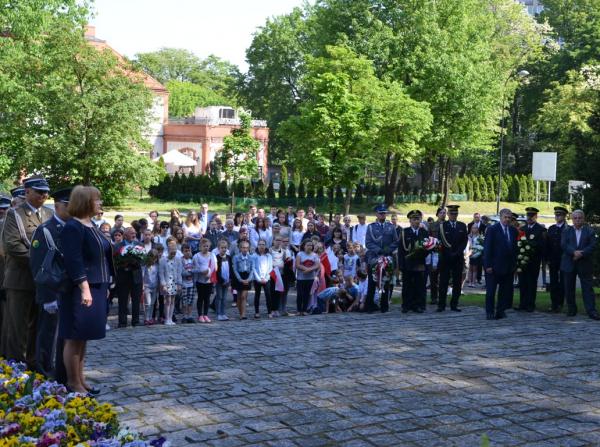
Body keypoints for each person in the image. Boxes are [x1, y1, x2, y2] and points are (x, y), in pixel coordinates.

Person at [60, 185, 112, 394]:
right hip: (80, 288)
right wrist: (85, 288)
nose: (100, 203)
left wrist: (106, 284)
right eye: (96, 199)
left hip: (97, 285)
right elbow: (74, 261)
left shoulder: (91, 225)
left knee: (84, 336)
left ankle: (81, 379)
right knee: (75, 336)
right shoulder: (73, 227)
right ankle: (73, 382)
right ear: (85, 202)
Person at [2, 177, 53, 368]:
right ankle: (16, 368)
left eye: (45, 192)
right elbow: (13, 245)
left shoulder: (49, 213)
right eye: (39, 191)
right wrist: (41, 263)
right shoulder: (14, 214)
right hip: (21, 279)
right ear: (27, 192)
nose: (43, 195)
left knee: (39, 325)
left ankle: (34, 364)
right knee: (17, 327)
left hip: (43, 281)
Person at [29, 187, 72, 382]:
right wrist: (47, 298)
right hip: (52, 292)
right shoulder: (45, 230)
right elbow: (39, 267)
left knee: (65, 336)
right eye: (67, 204)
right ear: (57, 206)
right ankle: (44, 371)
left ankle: (62, 372)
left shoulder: (73, 228)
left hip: (69, 292)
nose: (71, 208)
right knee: (47, 334)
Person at [561, 210, 600, 320]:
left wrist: (581, 254)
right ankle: (571, 309)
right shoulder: (566, 230)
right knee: (569, 287)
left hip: (584, 263)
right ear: (572, 219)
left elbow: (593, 245)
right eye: (575, 218)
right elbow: (563, 244)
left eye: (580, 218)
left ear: (584, 219)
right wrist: (574, 252)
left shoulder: (590, 231)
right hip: (569, 262)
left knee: (587, 288)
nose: (577, 220)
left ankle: (591, 311)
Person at [483, 208, 518, 320]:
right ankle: (489, 311)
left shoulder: (513, 230)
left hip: (508, 267)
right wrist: (488, 265)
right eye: (505, 217)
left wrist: (514, 265)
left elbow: (514, 249)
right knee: (491, 291)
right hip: (493, 266)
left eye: (509, 218)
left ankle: (500, 311)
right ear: (500, 217)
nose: (507, 219)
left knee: (504, 291)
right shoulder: (492, 229)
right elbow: (487, 248)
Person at [365, 205, 399, 313]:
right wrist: (379, 250)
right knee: (372, 283)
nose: (382, 215)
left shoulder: (391, 227)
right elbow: (368, 243)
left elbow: (396, 241)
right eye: (380, 213)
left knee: (386, 282)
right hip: (374, 258)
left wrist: (388, 249)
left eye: (384, 213)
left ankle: (384, 306)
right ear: (376, 214)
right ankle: (369, 306)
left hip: (387, 258)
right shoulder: (371, 227)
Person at [515, 207, 547, 312]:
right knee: (522, 283)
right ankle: (522, 304)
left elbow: (543, 245)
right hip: (522, 261)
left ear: (536, 216)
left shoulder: (541, 229)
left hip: (533, 261)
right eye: (528, 215)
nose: (529, 218)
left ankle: (530, 304)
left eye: (531, 216)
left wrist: (531, 247)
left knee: (532, 283)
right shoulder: (523, 229)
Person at [437, 205, 468, 312]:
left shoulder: (462, 225)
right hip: (445, 257)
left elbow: (464, 241)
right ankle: (441, 305)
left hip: (458, 258)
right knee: (443, 282)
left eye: (455, 214)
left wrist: (457, 252)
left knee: (457, 282)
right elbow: (440, 241)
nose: (454, 215)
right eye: (452, 213)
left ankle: (454, 304)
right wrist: (449, 253)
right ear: (448, 214)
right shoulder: (443, 226)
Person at [398, 210, 428, 314]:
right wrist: (401, 265)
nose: (416, 221)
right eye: (414, 219)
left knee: (419, 285)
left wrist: (423, 255)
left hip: (419, 263)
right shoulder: (404, 232)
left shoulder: (424, 232)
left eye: (418, 219)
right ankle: (406, 305)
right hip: (408, 263)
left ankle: (418, 305)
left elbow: (427, 248)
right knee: (407, 285)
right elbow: (401, 250)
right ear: (410, 220)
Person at [114, 227, 144, 328]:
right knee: (122, 300)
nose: (134, 235)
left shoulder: (139, 245)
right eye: (131, 233)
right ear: (125, 235)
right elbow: (115, 261)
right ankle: (122, 322)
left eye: (134, 233)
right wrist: (125, 263)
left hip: (136, 276)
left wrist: (136, 261)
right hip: (123, 277)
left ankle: (136, 321)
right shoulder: (118, 246)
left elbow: (143, 260)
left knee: (136, 300)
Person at [546, 206, 568, 312]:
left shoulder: (568, 229)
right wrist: (547, 258)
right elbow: (547, 244)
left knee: (563, 282)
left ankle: (560, 303)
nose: (557, 217)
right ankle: (554, 303)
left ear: (564, 216)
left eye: (560, 215)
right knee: (553, 282)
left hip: (564, 259)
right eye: (556, 215)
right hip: (553, 259)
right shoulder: (551, 228)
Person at [193, 238, 216, 323]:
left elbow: (214, 266)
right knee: (200, 297)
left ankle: (205, 314)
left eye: (207, 246)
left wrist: (209, 273)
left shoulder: (212, 255)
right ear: (200, 247)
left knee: (207, 298)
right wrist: (201, 271)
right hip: (200, 280)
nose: (206, 248)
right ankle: (200, 315)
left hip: (209, 280)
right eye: (204, 246)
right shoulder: (196, 256)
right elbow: (194, 268)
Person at [159, 241, 182, 325]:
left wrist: (179, 283)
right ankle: (166, 318)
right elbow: (161, 273)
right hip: (167, 283)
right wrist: (163, 284)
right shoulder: (163, 260)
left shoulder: (178, 259)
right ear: (168, 250)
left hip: (174, 282)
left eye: (174, 252)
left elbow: (179, 272)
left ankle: (170, 318)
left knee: (173, 300)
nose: (173, 254)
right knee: (167, 300)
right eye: (172, 252)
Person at [295, 240, 320, 316]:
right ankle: (299, 310)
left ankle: (304, 310)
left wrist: (309, 269)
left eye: (311, 245)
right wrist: (305, 269)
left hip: (310, 278)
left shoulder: (315, 255)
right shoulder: (300, 254)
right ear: (304, 246)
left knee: (307, 294)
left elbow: (317, 265)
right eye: (308, 245)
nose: (310, 247)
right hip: (300, 278)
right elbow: (297, 265)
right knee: (300, 294)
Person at [427, 207, 446, 305]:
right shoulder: (432, 225)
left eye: (444, 213)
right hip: (434, 253)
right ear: (437, 214)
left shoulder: (447, 225)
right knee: (433, 277)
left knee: (444, 277)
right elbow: (428, 238)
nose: (443, 214)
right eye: (441, 213)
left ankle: (442, 297)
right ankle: (434, 297)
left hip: (445, 254)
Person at [252, 239, 274, 318]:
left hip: (266, 278)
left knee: (268, 295)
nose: (261, 246)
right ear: (257, 246)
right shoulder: (254, 256)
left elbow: (270, 268)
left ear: (265, 246)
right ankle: (257, 312)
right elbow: (253, 268)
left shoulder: (269, 256)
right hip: (257, 279)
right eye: (260, 244)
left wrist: (266, 278)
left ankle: (269, 312)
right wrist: (259, 279)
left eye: (263, 244)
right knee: (257, 295)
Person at [233, 240, 253, 320]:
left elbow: (252, 269)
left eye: (247, 248)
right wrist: (240, 279)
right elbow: (235, 269)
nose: (245, 249)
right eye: (243, 248)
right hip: (239, 276)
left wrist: (249, 279)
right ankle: (240, 312)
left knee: (244, 296)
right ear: (240, 248)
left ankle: (243, 314)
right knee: (239, 296)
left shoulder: (251, 257)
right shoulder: (236, 257)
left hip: (247, 276)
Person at [214, 240, 232, 321]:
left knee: (224, 298)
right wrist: (221, 280)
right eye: (222, 248)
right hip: (220, 281)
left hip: (227, 281)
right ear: (218, 248)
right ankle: (218, 313)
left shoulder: (229, 257)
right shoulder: (216, 258)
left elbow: (230, 269)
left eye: (225, 248)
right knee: (219, 297)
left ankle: (223, 313)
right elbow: (217, 271)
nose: (224, 249)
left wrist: (229, 279)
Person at [142, 249, 160, 325]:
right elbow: (142, 275)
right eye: (153, 258)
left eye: (155, 258)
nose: (154, 260)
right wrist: (142, 285)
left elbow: (158, 276)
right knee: (148, 303)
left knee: (152, 303)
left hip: (155, 287)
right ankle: (146, 318)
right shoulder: (145, 266)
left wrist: (159, 285)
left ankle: (150, 318)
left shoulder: (157, 266)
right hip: (147, 286)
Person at [180, 243, 197, 323]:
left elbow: (196, 269)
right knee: (184, 301)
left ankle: (189, 315)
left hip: (191, 284)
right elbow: (181, 272)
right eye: (185, 251)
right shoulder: (181, 260)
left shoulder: (192, 260)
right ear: (182, 252)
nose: (187, 252)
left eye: (189, 251)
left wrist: (192, 271)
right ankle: (184, 316)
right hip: (184, 284)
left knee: (190, 301)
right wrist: (190, 272)